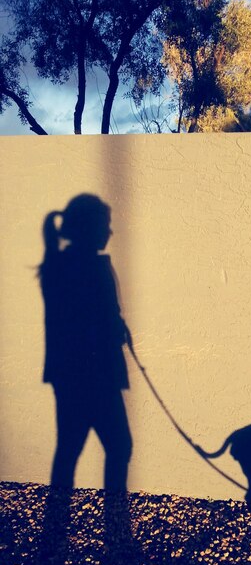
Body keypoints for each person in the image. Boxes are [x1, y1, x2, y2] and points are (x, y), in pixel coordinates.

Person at [39, 194, 132, 491]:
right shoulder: (90, 269)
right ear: (89, 227)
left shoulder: (59, 266)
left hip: (69, 374)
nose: (110, 232)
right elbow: (99, 321)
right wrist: (117, 328)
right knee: (118, 446)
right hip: (97, 374)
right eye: (105, 224)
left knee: (69, 448)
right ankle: (115, 525)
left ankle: (56, 526)